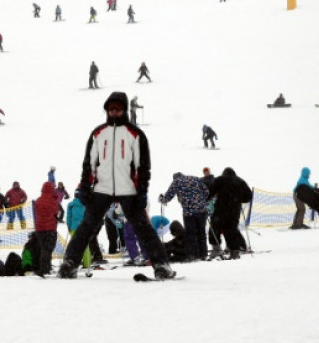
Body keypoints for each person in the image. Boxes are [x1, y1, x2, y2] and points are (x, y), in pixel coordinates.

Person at [57, 91, 175, 280]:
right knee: (87, 226)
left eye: (118, 109)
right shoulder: (98, 133)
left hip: (128, 189)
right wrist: (85, 188)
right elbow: (89, 164)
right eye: (111, 109)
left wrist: (141, 192)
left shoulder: (135, 134)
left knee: (143, 227)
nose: (114, 112)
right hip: (102, 188)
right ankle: (70, 263)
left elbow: (143, 167)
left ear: (124, 110)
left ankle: (161, 264)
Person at [158, 172, 209, 262]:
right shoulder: (196, 178)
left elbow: (168, 196)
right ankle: (203, 254)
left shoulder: (177, 182)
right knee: (201, 233)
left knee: (191, 234)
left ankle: (193, 255)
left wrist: (162, 199)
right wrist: (200, 201)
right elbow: (206, 191)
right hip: (202, 210)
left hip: (189, 212)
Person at [207, 167, 252, 259]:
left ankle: (216, 250)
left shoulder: (220, 179)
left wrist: (206, 200)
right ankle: (234, 252)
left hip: (220, 209)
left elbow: (209, 192)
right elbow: (249, 196)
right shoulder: (240, 181)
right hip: (234, 211)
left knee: (214, 229)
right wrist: (240, 199)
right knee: (231, 231)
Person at [33, 181, 60, 276]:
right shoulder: (53, 201)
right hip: (50, 228)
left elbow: (36, 209)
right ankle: (45, 269)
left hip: (40, 229)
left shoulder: (38, 200)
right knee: (48, 249)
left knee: (44, 248)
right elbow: (57, 212)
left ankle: (45, 266)